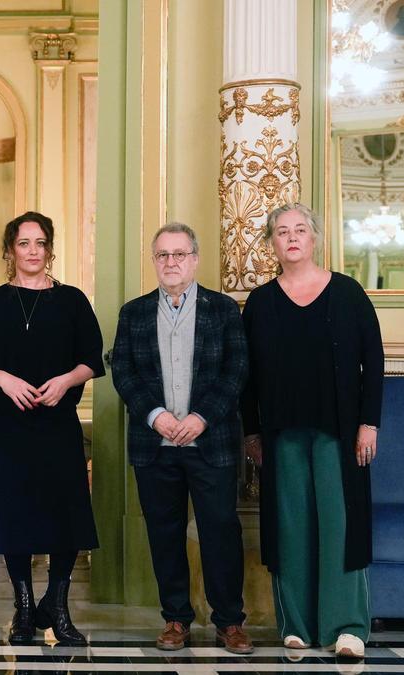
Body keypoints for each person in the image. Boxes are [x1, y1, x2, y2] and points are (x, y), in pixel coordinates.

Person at [241, 203, 384, 659]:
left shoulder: (348, 293)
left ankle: (347, 628)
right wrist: (251, 433)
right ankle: (297, 624)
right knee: (291, 526)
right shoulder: (260, 303)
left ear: (315, 237)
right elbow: (247, 376)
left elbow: (374, 362)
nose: (292, 237)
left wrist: (369, 423)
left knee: (339, 525)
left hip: (340, 431)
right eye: (282, 232)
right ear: (272, 243)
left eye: (300, 229)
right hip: (281, 432)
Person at [0, 212, 103, 646]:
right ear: (10, 251)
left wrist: (65, 380)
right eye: (24, 243)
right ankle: (24, 608)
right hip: (5, 427)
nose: (33, 250)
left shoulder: (73, 300)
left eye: (40, 243)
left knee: (66, 514)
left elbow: (91, 360)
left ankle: (57, 606)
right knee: (12, 515)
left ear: (50, 248)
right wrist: (3, 379)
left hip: (55, 423)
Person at [110, 223, 253, 654]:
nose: (171, 263)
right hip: (154, 446)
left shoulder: (224, 309)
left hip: (211, 443)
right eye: (162, 255)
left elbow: (237, 371)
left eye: (179, 254)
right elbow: (124, 372)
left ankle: (229, 622)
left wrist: (201, 417)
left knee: (221, 534)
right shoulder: (132, 313)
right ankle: (176, 620)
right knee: (164, 535)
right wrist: (155, 416)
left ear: (194, 259)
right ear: (154, 261)